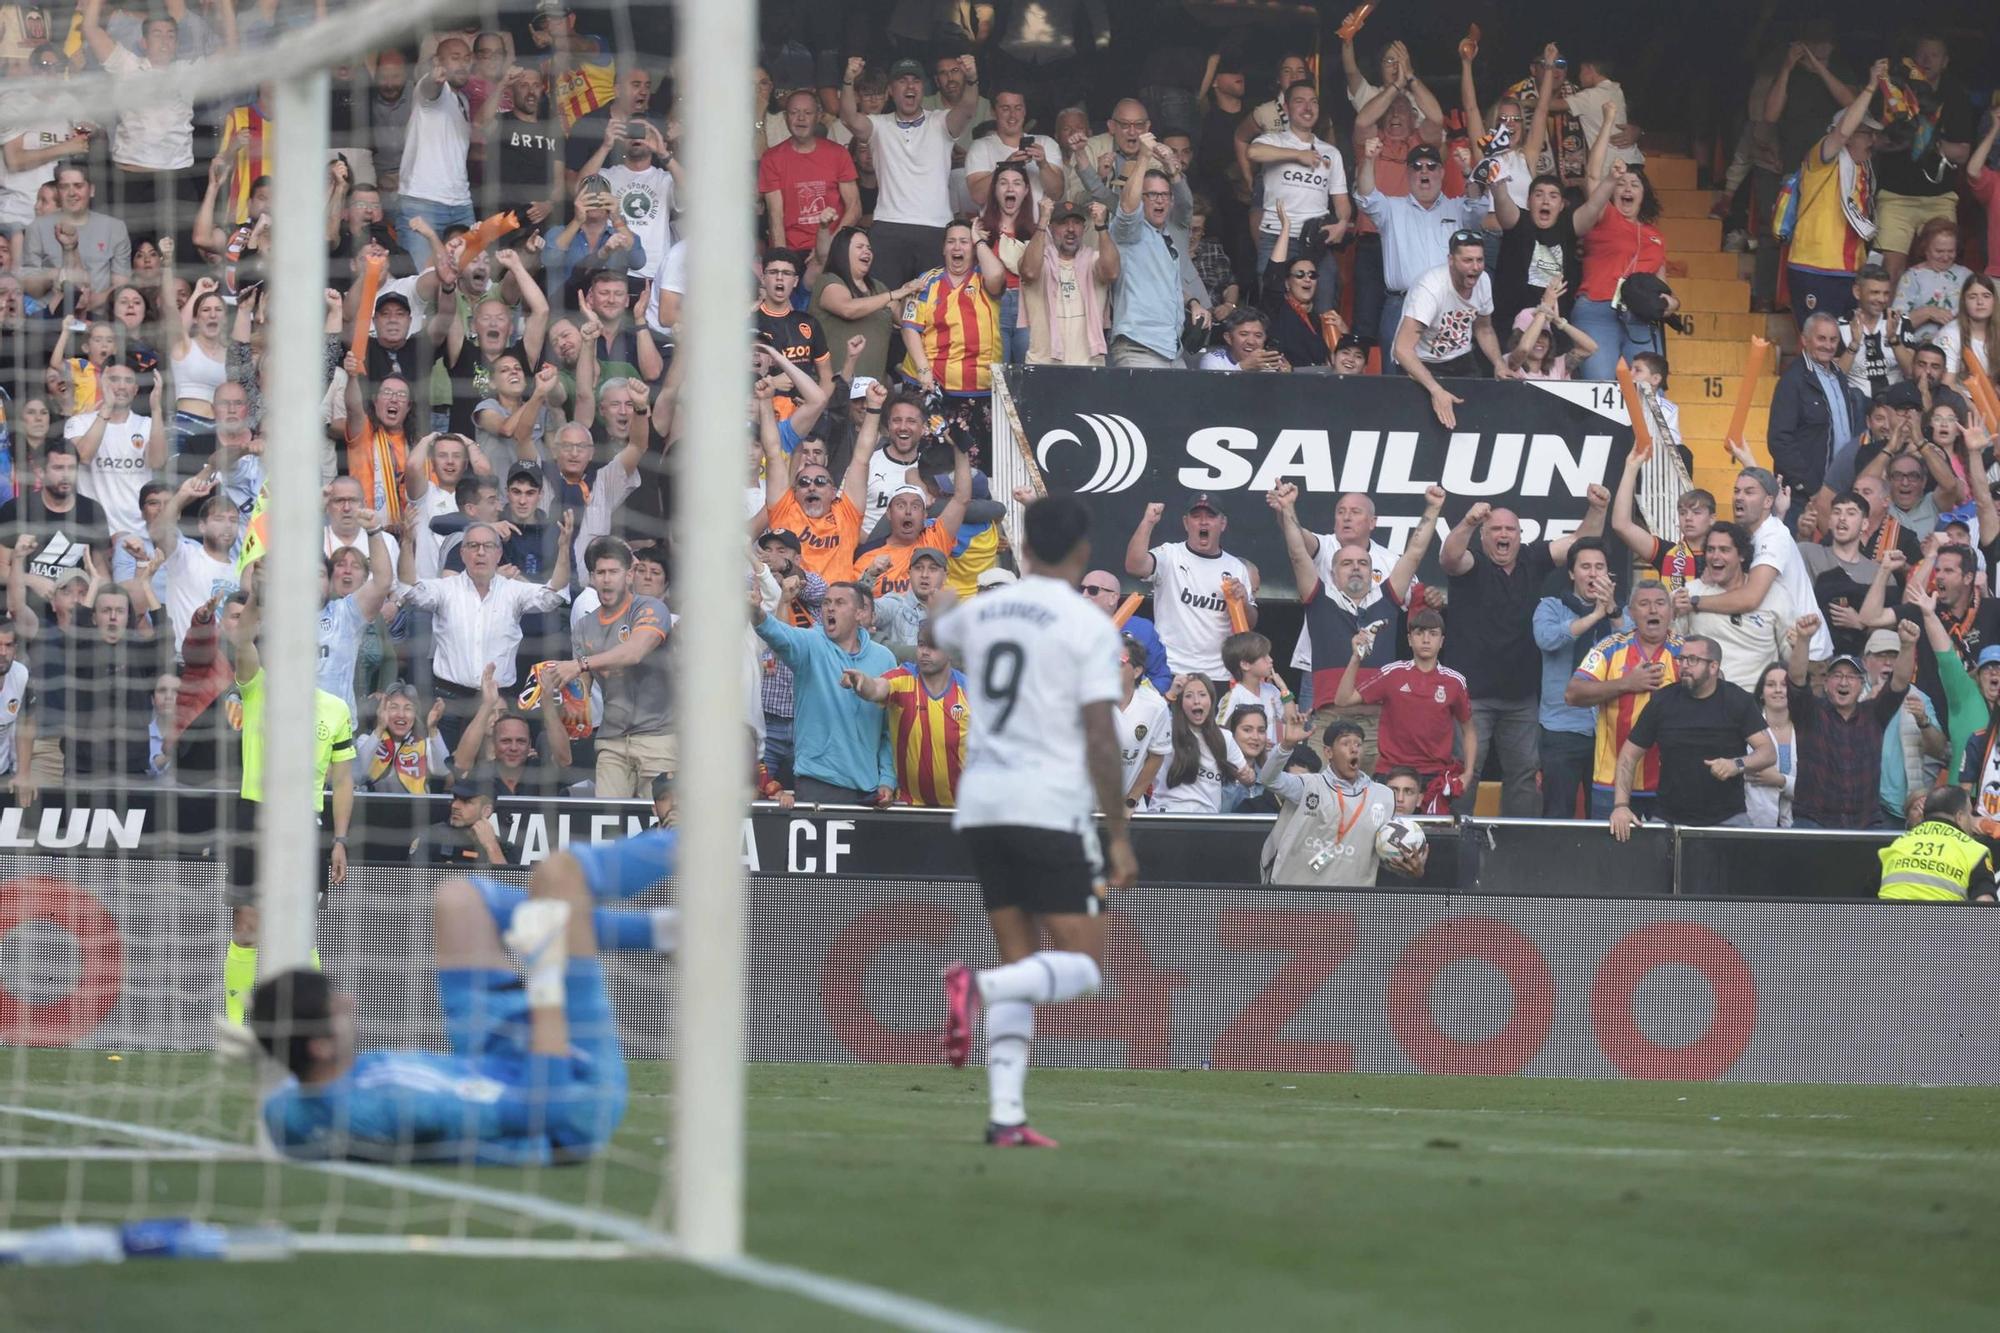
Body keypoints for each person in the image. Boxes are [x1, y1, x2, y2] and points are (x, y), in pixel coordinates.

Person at [254, 827, 683, 1162]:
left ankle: (662, 933)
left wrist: (268, 1043)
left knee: (458, 899)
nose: (349, 1000)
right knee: (559, 875)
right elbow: (540, 1108)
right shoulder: (402, 1101)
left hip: (493, 1063)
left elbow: (288, 1109)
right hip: (572, 1090)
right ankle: (703, 835)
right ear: (321, 1045)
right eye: (335, 1005)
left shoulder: (290, 1113)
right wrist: (544, 968)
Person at [936, 494, 1139, 1148]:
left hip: (981, 803)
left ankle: (1005, 1114)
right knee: (1081, 966)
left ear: (1022, 550)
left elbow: (938, 627)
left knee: (1021, 956)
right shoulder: (1087, 626)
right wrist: (1117, 832)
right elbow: (1102, 737)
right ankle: (975, 986)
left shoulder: (983, 610)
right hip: (1047, 801)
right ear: (1082, 555)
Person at [221, 584, 356, 1027]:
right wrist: (259, 596)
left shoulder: (335, 711)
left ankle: (310, 1023)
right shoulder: (258, 688)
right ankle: (237, 1026)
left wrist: (339, 839)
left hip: (306, 822)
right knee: (248, 924)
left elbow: (343, 780)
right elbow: (242, 640)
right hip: (255, 814)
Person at [1442, 490, 1608, 817]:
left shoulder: (1533, 559)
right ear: (1483, 536)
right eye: (1495, 530)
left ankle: (1517, 850)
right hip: (1471, 697)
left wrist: (1598, 507)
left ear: (1520, 535)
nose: (1503, 535)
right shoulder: (1472, 563)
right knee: (1466, 772)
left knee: (1525, 776)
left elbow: (1580, 541)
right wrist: (1467, 521)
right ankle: (1454, 843)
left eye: (1510, 530)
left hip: (1522, 698)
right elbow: (1448, 557)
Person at [394, 514, 574, 748]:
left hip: (499, 703)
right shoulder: (445, 590)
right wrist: (407, 545)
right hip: (449, 702)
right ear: (462, 554)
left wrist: (563, 549)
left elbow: (554, 595)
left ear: (498, 554)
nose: (480, 552)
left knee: (493, 773)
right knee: (448, 773)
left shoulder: (513, 591)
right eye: (473, 546)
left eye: (488, 546)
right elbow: (409, 589)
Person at [1604, 634, 1776, 840]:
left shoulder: (1738, 700)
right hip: (1669, 819)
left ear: (1713, 667)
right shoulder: (1662, 701)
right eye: (1681, 659)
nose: (1684, 666)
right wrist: (1621, 805)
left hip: (1728, 817)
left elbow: (1768, 752)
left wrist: (1736, 764)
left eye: (1692, 660)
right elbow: (1628, 755)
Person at [837, 53, 984, 289]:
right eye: (902, 81)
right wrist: (847, 82)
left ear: (923, 89)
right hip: (888, 226)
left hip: (935, 227)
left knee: (934, 305)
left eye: (915, 81)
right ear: (891, 91)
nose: (909, 86)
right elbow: (849, 118)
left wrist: (972, 79)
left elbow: (967, 109)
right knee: (885, 303)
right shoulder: (878, 125)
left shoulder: (941, 121)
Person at [544, 537, 671, 799]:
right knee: (609, 824)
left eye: (613, 572)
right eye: (600, 572)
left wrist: (579, 664)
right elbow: (580, 696)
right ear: (591, 578)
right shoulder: (583, 627)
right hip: (611, 739)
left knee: (662, 825)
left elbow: (634, 652)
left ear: (628, 575)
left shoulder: (650, 608)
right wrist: (550, 696)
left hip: (659, 737)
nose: (606, 579)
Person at [751, 579, 894, 806]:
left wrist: (888, 779)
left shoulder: (884, 658)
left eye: (839, 603)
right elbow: (781, 635)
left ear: (859, 613)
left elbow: (889, 729)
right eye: (826, 602)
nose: (830, 608)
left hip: (869, 788)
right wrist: (758, 615)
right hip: (819, 782)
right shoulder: (811, 642)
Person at [1353, 138, 1487, 363]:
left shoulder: (1457, 207)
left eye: (1431, 166)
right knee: (1395, 384)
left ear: (1442, 173)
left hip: (1446, 305)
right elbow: (1366, 197)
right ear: (1407, 173)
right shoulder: (1391, 208)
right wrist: (1368, 160)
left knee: (1445, 378)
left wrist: (1467, 171)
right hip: (1401, 304)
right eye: (1416, 166)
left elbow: (1478, 206)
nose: (1424, 171)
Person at [1565, 581, 1686, 821]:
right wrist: (1626, 683)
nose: (1653, 610)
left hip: (1671, 782)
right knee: (1611, 858)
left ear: (1671, 612)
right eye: (1644, 604)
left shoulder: (1686, 652)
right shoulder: (1609, 648)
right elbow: (1573, 693)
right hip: (1611, 782)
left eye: (1660, 603)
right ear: (1631, 613)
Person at [1260, 716, 1428, 886]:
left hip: (1349, 903)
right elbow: (1268, 779)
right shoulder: (1309, 785)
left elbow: (1384, 853)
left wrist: (1410, 870)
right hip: (1297, 897)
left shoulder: (1383, 796)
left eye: (1358, 744)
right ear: (1328, 752)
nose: (1354, 749)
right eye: (1346, 743)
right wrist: (1286, 746)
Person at [1787, 613, 1916, 828]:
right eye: (1837, 675)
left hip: (1864, 822)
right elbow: (1796, 680)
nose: (1844, 682)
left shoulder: (1874, 713)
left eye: (1851, 676)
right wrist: (1803, 640)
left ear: (1861, 683)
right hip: (1814, 820)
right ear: (1827, 683)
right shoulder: (1810, 712)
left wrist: (1908, 645)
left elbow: (1900, 681)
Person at [1783, 62, 1887, 329]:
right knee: (1818, 342)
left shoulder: (1864, 169)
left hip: (1852, 272)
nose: (1872, 141)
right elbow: (1841, 133)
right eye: (1866, 134)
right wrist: (1870, 86)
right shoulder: (1822, 158)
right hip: (1814, 266)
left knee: (1846, 345)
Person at [1336, 607, 1473, 808]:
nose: (1426, 639)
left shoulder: (1455, 681)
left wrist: (1468, 773)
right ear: (1409, 639)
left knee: (1432, 837)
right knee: (1384, 836)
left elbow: (1469, 730)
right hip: (1391, 773)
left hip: (1434, 776)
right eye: (1419, 633)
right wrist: (1356, 657)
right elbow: (1342, 700)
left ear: (1442, 641)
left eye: (1433, 634)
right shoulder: (1393, 673)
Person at [1534, 538, 1628, 819]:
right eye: (1585, 567)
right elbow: (1547, 639)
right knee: (1557, 813)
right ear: (1572, 573)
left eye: (1600, 567)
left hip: (1608, 729)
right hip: (1562, 727)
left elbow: (1633, 649)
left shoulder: (1619, 613)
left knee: (1604, 816)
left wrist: (1611, 612)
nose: (1593, 573)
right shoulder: (1550, 607)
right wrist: (1593, 615)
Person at [1125, 494, 1257, 683]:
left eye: (1211, 516)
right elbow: (1134, 566)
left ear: (1223, 523)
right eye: (1196, 516)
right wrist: (1148, 522)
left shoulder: (1236, 567)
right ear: (1186, 523)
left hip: (1218, 675)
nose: (1203, 522)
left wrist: (1243, 600)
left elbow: (1250, 624)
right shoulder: (1170, 555)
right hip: (1171, 669)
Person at [1106, 134, 1206, 369]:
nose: (1159, 200)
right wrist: (1144, 157)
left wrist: (1192, 301)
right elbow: (1128, 208)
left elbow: (1165, 285)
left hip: (1171, 350)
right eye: (1151, 195)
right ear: (1141, 199)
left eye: (1164, 195)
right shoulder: (1128, 232)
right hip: (1139, 347)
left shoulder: (1167, 235)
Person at [842, 623, 969, 807]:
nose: (924, 651)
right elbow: (877, 688)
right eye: (921, 644)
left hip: (960, 810)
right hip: (912, 807)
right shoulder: (904, 677)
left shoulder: (969, 691)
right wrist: (862, 682)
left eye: (933, 646)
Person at [1395, 230, 1511, 429]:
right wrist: (1436, 390)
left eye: (1480, 260)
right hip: (1422, 362)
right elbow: (1402, 349)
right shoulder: (1430, 288)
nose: (1475, 267)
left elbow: (1484, 329)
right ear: (1451, 260)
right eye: (1467, 260)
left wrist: (1499, 363)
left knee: (1474, 424)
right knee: (1420, 427)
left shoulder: (1483, 281)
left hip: (1461, 359)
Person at [1769, 313, 1871, 509]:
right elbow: (1779, 440)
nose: (1828, 345)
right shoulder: (1792, 381)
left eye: (1833, 339)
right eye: (1821, 338)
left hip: (1839, 491)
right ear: (1805, 340)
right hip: (1803, 497)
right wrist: (1810, 487)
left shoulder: (1838, 375)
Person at [1675, 521, 1792, 687]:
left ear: (1742, 555)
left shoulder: (1775, 595)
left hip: (1755, 702)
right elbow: (1670, 644)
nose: (1715, 556)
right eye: (1710, 549)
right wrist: (1672, 611)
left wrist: (1802, 641)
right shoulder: (1689, 592)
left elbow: (1791, 657)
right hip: (1706, 699)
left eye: (1724, 550)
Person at [1150, 675, 1253, 814]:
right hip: (1168, 813)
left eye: (1202, 695)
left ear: (1211, 700)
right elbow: (1147, 721)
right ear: (1180, 702)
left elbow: (1248, 777)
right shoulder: (1167, 727)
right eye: (1189, 696)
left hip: (1207, 820)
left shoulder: (1225, 737)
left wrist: (1248, 776)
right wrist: (1171, 694)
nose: (1196, 701)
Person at [1876, 786, 1995, 902]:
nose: (1972, 819)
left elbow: (1865, 901)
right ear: (1959, 817)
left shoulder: (1897, 845)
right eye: (1969, 814)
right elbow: (1985, 902)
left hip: (1890, 920)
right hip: (1943, 921)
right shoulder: (1974, 851)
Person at [1079, 570, 1169, 692]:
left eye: (1092, 590)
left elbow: (1161, 677)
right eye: (1081, 589)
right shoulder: (1067, 626)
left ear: (1113, 598)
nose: (1084, 595)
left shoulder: (1141, 628)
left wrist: (1140, 699)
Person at [1112, 634, 1171, 811]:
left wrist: (1131, 800)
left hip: (1129, 808)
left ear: (1137, 671)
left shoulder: (1155, 706)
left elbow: (1157, 755)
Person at [409, 777, 512, 866]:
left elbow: (510, 888)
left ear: (486, 811)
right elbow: (408, 885)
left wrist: (492, 848)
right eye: (456, 798)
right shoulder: (431, 837)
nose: (455, 806)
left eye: (466, 801)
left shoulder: (502, 849)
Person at [1745, 663, 1798, 828]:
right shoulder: (1746, 728)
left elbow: (1814, 787)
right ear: (1761, 692)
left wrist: (1781, 781)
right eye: (1770, 684)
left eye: (1784, 685)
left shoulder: (1807, 730)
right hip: (1753, 825)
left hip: (1799, 825)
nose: (1778, 690)